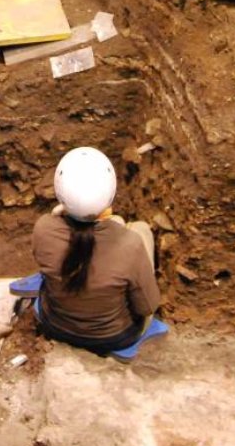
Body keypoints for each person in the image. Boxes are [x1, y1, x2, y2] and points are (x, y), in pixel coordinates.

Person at [30, 147, 161, 355]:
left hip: (55, 325)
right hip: (114, 337)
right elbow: (147, 307)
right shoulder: (131, 244)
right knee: (141, 229)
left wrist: (58, 213)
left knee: (117, 224)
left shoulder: (43, 228)